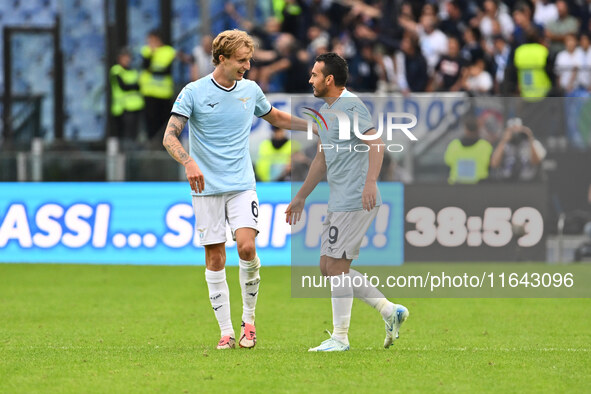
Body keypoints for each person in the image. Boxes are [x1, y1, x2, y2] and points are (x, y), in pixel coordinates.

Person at [162, 29, 310, 350]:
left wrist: (311, 125)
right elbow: (170, 136)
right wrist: (188, 162)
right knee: (215, 257)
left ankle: (250, 322)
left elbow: (276, 117)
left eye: (249, 60)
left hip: (242, 184)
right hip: (207, 188)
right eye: (241, 60)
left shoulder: (251, 90)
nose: (247, 66)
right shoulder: (194, 92)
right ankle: (226, 332)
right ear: (222, 58)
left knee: (246, 248)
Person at [285, 53, 409, 352]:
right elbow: (322, 158)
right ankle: (390, 311)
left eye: (315, 74)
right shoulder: (328, 112)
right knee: (327, 267)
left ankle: (340, 338)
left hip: (355, 197)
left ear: (329, 79)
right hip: (340, 199)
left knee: (336, 267)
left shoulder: (350, 106)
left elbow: (376, 143)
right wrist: (301, 195)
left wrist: (370, 182)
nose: (310, 79)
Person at [140, 29, 176, 142]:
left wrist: (153, 71)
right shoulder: (146, 51)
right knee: (151, 121)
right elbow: (146, 66)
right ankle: (152, 143)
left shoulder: (169, 51)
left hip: (164, 93)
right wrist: (152, 53)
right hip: (149, 92)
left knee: (164, 120)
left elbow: (167, 71)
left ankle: (165, 143)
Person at [109, 47, 144, 146]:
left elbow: (140, 85)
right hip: (122, 108)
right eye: (125, 57)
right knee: (122, 135)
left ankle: (130, 156)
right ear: (119, 58)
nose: (127, 60)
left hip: (136, 106)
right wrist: (135, 86)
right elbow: (124, 86)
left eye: (129, 57)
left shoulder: (133, 71)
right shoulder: (116, 70)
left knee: (133, 135)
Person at [444, 115, 493, 184]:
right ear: (478, 129)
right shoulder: (485, 146)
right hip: (480, 187)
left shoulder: (453, 145)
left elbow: (448, 163)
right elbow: (491, 165)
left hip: (456, 186)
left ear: (465, 129)